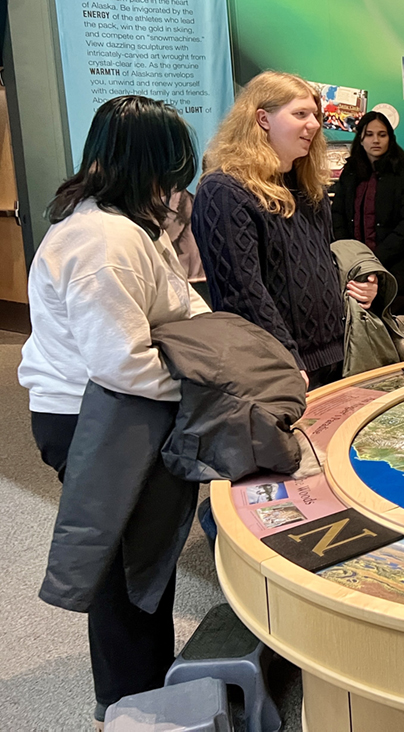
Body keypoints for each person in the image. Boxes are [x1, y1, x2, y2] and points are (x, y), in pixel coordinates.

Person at [18, 95, 210, 727]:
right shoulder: (102, 240)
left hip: (115, 411)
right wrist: (202, 386)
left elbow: (180, 305)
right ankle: (129, 701)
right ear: (149, 165)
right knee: (124, 565)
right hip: (94, 419)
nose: (176, 189)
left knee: (141, 554)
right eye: (172, 170)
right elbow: (121, 363)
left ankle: (143, 687)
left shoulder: (120, 225)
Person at [192, 71, 376, 389]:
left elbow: (317, 266)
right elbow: (243, 292)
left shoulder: (309, 188)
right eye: (300, 114)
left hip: (338, 360)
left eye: (316, 115)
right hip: (281, 371)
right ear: (263, 119)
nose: (315, 125)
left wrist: (361, 285)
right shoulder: (224, 190)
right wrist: (284, 360)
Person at [331, 110, 404, 315]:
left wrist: (373, 259)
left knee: (396, 338)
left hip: (396, 269)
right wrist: (351, 257)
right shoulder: (350, 173)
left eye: (382, 135)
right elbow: (337, 215)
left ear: (390, 138)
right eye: (369, 134)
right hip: (353, 269)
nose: (376, 140)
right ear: (361, 139)